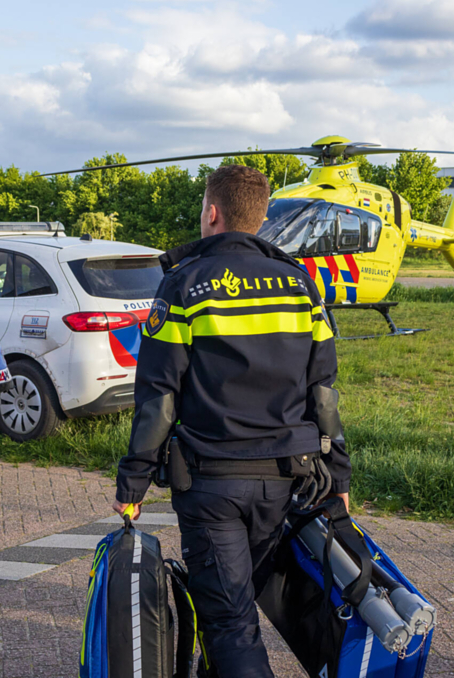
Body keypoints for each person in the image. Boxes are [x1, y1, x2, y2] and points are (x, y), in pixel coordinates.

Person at [112, 165, 352, 678]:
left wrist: (133, 479)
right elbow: (324, 395)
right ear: (262, 218)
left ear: (212, 213)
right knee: (232, 605)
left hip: (211, 484)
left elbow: (158, 397)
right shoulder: (301, 285)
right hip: (284, 482)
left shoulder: (183, 285)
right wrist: (341, 478)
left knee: (230, 622)